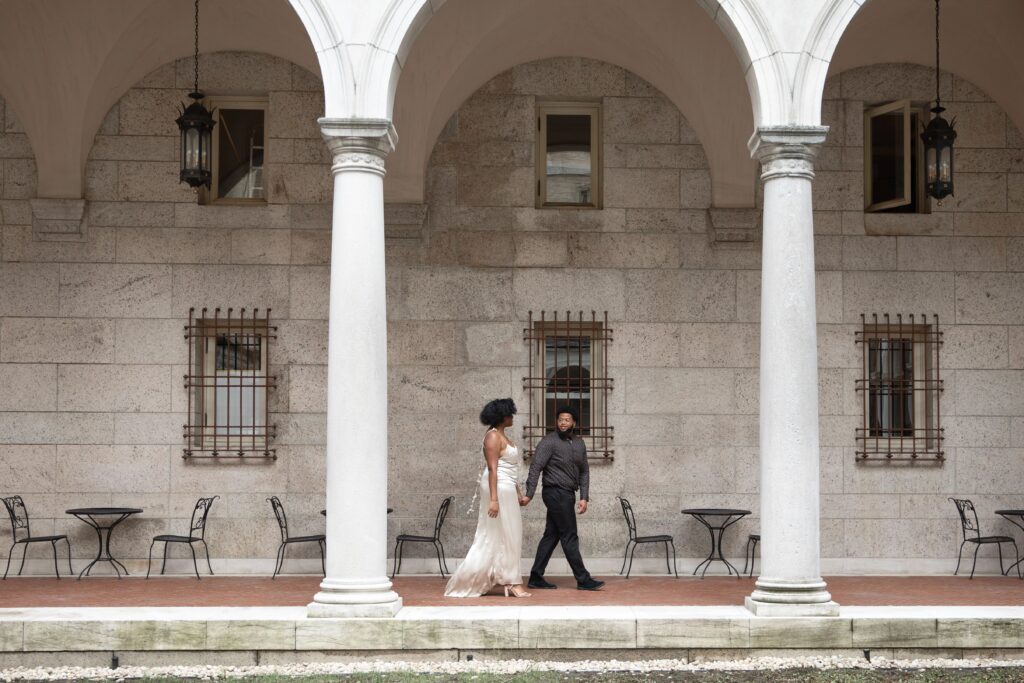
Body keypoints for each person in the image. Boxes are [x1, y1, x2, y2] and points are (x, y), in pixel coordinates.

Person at [444, 398, 531, 598]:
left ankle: (507, 578)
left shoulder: (504, 436)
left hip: (507, 486)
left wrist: (518, 494)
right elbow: (493, 468)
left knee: (511, 533)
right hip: (497, 487)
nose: (512, 417)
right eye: (510, 414)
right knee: (501, 534)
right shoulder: (492, 437)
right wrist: (494, 500)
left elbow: (510, 469)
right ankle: (511, 581)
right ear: (502, 416)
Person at [522, 405, 605, 591]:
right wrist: (529, 494)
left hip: (568, 494)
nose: (563, 423)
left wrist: (584, 497)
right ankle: (583, 579)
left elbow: (584, 472)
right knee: (569, 535)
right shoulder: (548, 442)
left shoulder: (579, 443)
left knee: (552, 535)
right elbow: (535, 468)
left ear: (574, 422)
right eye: (560, 419)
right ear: (556, 422)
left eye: (567, 419)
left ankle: (536, 576)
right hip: (554, 492)